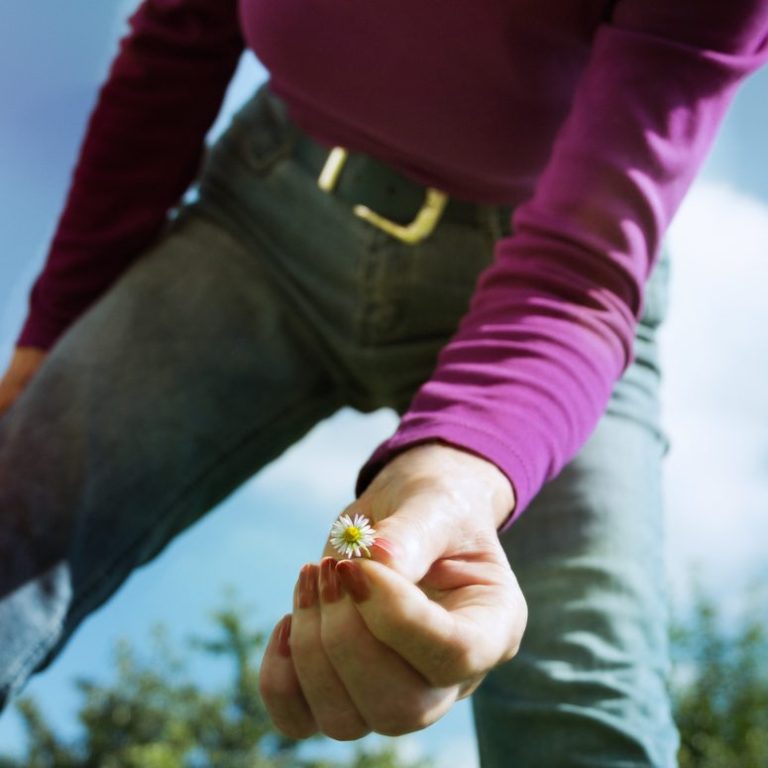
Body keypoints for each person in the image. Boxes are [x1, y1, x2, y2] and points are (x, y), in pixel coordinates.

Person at [1, 1, 766, 765]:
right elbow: (179, 39)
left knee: (581, 702)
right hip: (260, 218)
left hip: (554, 301)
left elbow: (577, 274)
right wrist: (50, 331)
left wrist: (462, 479)